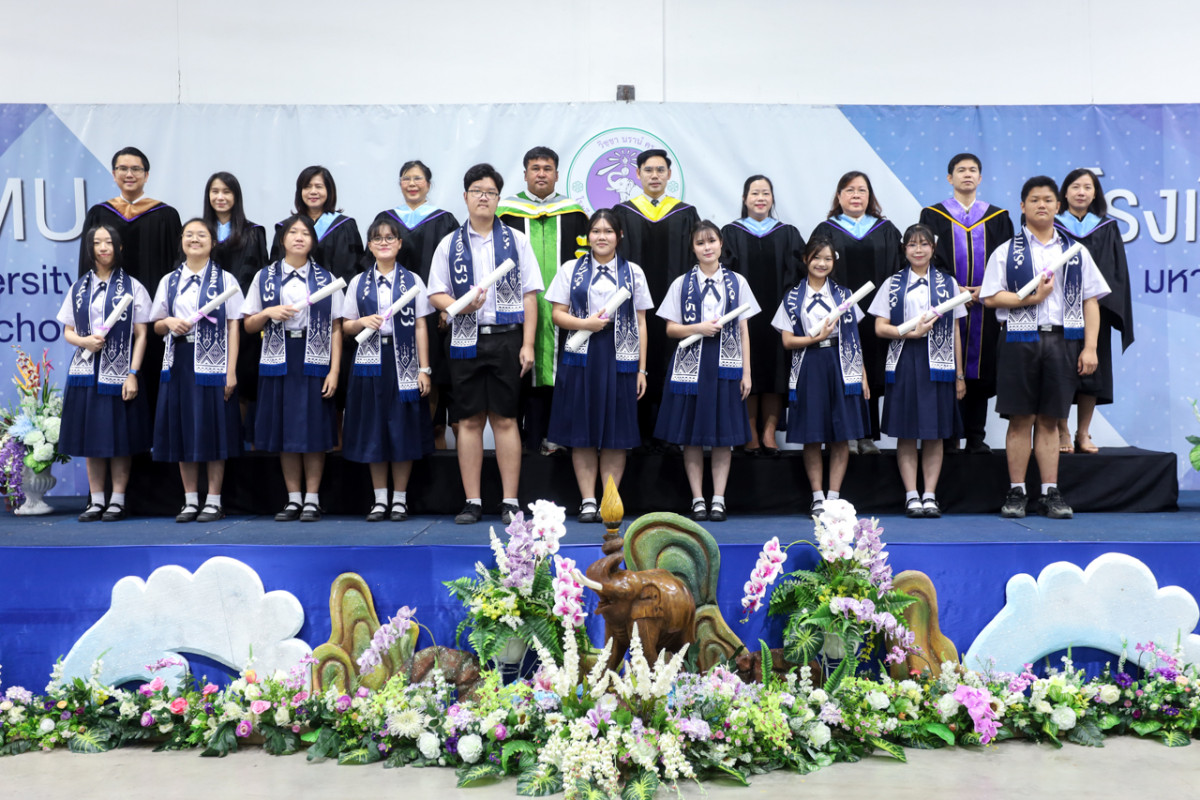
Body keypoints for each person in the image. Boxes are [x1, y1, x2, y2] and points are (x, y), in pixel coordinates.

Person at [981, 176, 1110, 520]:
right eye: (1035, 199)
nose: (1042, 205)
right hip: (1018, 340)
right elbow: (990, 297)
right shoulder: (1007, 251)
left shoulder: (1075, 252)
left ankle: (1050, 491)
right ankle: (1017, 491)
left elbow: (1091, 300)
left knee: (1051, 420)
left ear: (1058, 206)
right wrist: (1032, 298)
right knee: (1021, 418)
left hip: (1063, 340)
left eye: (1048, 200)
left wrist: (1090, 347)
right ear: (1022, 206)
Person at [427, 164, 544, 525]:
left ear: (498, 198)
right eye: (477, 191)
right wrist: (459, 306)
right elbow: (436, 293)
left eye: (490, 192)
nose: (483, 197)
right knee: (468, 420)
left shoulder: (516, 241)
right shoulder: (449, 243)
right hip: (465, 339)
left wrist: (528, 344)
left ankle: (510, 501)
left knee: (506, 419)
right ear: (465, 197)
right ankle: (472, 501)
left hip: (507, 338)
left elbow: (530, 295)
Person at [545, 209, 652, 523]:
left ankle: (609, 501)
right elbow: (557, 315)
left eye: (608, 231)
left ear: (619, 236)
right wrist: (585, 324)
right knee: (584, 431)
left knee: (616, 433)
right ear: (587, 236)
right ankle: (588, 500)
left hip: (621, 357)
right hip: (581, 355)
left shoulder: (633, 272)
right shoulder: (571, 269)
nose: (601, 237)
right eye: (596, 231)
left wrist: (642, 370)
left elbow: (642, 323)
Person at [655, 220, 758, 523]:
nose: (707, 247)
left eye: (711, 241)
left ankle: (719, 499)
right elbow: (671, 329)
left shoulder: (737, 282)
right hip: (691, 366)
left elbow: (744, 330)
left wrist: (747, 372)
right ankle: (698, 498)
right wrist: (697, 328)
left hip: (727, 365)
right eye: (700, 243)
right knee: (692, 436)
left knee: (723, 437)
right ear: (693, 248)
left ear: (721, 244)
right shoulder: (681, 284)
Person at [244, 214, 344, 522]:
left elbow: (337, 327)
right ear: (283, 239)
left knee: (313, 430)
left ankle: (312, 499)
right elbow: (248, 324)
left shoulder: (327, 279)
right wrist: (268, 313)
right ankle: (293, 498)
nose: (299, 237)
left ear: (313, 241)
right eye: (293, 232)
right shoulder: (265, 277)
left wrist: (334, 371)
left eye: (305, 233)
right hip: (279, 358)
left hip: (315, 358)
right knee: (286, 430)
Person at [868, 224, 968, 518]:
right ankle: (911, 495)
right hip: (905, 359)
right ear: (904, 249)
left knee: (935, 433)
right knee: (907, 431)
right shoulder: (893, 284)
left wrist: (959, 375)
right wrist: (909, 333)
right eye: (912, 244)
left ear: (933, 248)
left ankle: (930, 495)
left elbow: (956, 331)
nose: (918, 250)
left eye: (924, 244)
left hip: (939, 364)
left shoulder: (948, 283)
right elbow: (879, 327)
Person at [497, 146, 590, 456]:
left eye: (547, 169)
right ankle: (521, 441)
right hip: (515, 310)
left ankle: (557, 436)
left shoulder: (574, 213)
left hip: (564, 310)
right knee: (518, 371)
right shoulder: (505, 213)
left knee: (560, 370)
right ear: (524, 174)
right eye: (535, 168)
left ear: (557, 175)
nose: (541, 174)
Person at [150, 218, 244, 523]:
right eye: (189, 234)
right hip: (179, 361)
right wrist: (168, 323)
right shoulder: (169, 281)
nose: (194, 239)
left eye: (201, 235)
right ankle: (190, 500)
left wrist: (231, 371)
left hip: (214, 363)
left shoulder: (226, 280)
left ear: (212, 242)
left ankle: (214, 500)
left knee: (213, 429)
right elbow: (156, 324)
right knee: (183, 429)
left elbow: (234, 326)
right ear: (181, 241)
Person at [341, 216, 435, 522]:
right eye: (378, 238)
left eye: (389, 238)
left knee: (402, 429)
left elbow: (420, 326)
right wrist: (361, 322)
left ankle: (400, 499)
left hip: (403, 361)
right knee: (375, 430)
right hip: (369, 364)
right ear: (370, 245)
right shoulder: (358, 282)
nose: (384, 243)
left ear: (399, 244)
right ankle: (380, 499)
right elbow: (345, 326)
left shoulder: (413, 281)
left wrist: (424, 369)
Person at [919, 153, 1014, 454]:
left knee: (981, 368)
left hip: (986, 304)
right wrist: (955, 288)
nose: (967, 174)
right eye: (961, 170)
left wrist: (985, 289)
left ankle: (975, 435)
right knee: (947, 365)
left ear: (980, 178)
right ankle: (948, 436)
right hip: (948, 304)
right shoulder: (933, 215)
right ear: (950, 178)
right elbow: (927, 257)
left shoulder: (998, 217)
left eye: (973, 170)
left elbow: (1008, 259)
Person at [78, 147, 182, 415]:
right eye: (123, 169)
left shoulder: (166, 215)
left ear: (146, 175)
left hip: (153, 314)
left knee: (153, 371)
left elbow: (176, 267)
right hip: (107, 314)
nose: (129, 174)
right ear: (114, 174)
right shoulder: (99, 214)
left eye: (136, 169)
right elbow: (87, 263)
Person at [59, 224, 152, 522]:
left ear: (119, 247)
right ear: (90, 249)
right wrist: (84, 341)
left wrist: (133, 372)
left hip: (120, 371)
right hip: (85, 372)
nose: (103, 247)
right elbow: (68, 331)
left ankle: (117, 501)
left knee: (119, 439)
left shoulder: (133, 287)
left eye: (108, 242)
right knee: (92, 440)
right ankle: (96, 500)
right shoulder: (79, 288)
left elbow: (142, 334)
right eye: (97, 242)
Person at [773, 235, 870, 516]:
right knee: (812, 434)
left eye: (828, 258)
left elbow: (854, 339)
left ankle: (834, 497)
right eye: (816, 257)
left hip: (841, 364)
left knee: (841, 435)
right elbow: (787, 341)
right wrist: (814, 339)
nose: (822, 263)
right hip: (809, 364)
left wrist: (862, 374)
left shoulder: (844, 295)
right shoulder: (793, 297)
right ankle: (817, 496)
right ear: (806, 259)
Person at [611, 149, 701, 448]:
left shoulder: (685, 213)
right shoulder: (622, 212)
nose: (654, 176)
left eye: (660, 170)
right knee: (635, 355)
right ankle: (633, 432)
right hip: (633, 303)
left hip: (674, 305)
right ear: (637, 174)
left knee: (670, 357)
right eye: (648, 170)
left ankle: (670, 434)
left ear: (669, 175)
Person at [811, 171, 901, 455]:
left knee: (870, 370)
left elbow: (898, 271)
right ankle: (843, 435)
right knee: (840, 369)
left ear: (869, 196)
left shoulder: (886, 230)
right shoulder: (826, 230)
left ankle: (866, 435)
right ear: (839, 196)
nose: (856, 195)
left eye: (862, 190)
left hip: (876, 314)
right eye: (849, 190)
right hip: (838, 311)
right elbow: (815, 270)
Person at [372, 161, 461, 449]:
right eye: (406, 178)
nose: (412, 183)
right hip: (389, 317)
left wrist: (446, 307)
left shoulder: (444, 221)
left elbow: (455, 266)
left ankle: (431, 436)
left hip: (432, 316)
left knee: (431, 371)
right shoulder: (385, 220)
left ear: (428, 184)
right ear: (400, 183)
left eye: (418, 178)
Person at [721, 175, 804, 456]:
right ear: (745, 199)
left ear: (772, 199)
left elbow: (800, 274)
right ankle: (749, 432)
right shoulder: (731, 233)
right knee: (748, 369)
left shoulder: (788, 233)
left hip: (779, 314)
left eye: (765, 193)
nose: (760, 198)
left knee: (776, 372)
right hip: (742, 317)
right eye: (754, 193)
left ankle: (769, 433)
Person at [1054, 168, 1135, 454]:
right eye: (1075, 186)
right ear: (1065, 192)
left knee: (1092, 373)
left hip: (1094, 311)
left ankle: (1083, 432)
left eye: (1087, 187)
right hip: (1057, 311)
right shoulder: (1052, 225)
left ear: (1095, 194)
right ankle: (1062, 431)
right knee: (1059, 372)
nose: (1081, 192)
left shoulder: (1106, 227)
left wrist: (1101, 304)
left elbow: (1116, 271)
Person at [202, 172, 269, 427]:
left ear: (236, 196)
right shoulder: (198, 232)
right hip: (205, 322)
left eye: (226, 192)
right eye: (215, 191)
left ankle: (239, 442)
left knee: (241, 381)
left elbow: (260, 278)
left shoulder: (254, 233)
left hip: (241, 321)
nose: (220, 197)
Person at [270, 166, 364, 282]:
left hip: (333, 292)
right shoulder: (285, 228)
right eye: (307, 187)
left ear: (329, 190)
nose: (313, 191)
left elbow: (350, 272)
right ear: (300, 192)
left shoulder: (344, 226)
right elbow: (275, 270)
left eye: (319, 186)